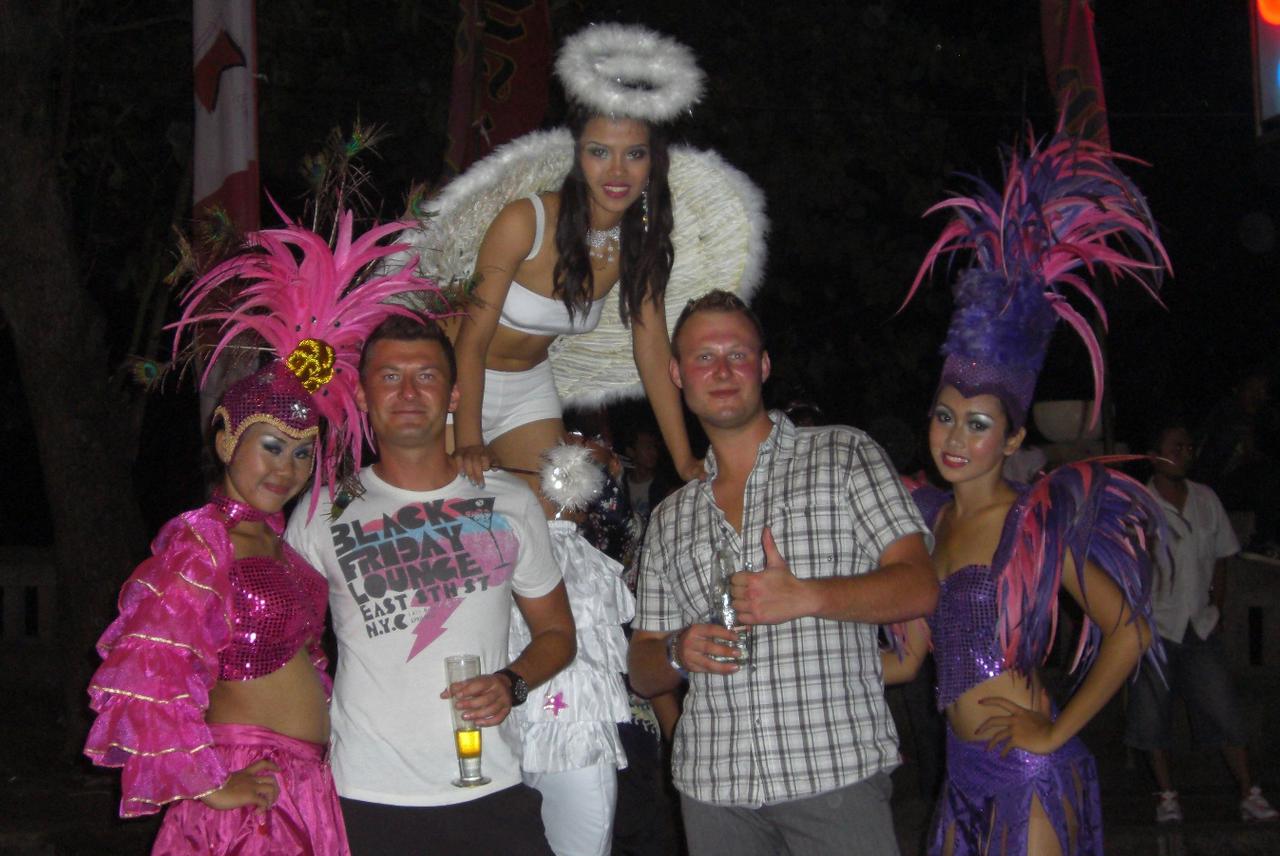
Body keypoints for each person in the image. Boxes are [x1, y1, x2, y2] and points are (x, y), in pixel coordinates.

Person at [395, 25, 764, 855]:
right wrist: (464, 436)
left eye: (634, 154)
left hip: (528, 385)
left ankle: (555, 707)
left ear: (652, 162)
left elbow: (651, 349)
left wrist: (684, 456)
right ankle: (445, 700)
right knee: (455, 537)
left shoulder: (639, 243)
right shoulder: (525, 220)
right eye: (600, 152)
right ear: (577, 155)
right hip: (459, 381)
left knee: (554, 524)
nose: (616, 170)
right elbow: (473, 337)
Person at [84, 210, 432, 853]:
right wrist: (209, 786)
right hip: (250, 790)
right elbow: (148, 670)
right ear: (225, 441)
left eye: (302, 453)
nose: (287, 469)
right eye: (271, 446)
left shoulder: (286, 549)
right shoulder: (201, 541)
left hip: (307, 786)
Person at [885, 128, 1171, 855]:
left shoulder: (1031, 523)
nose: (954, 437)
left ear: (1012, 440)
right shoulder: (926, 519)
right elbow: (907, 661)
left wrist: (1056, 729)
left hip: (1025, 771)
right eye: (944, 416)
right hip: (961, 770)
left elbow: (1130, 630)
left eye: (978, 424)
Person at [628, 290, 938, 856]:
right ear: (676, 374)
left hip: (833, 776)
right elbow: (643, 670)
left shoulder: (843, 454)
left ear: (764, 365)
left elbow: (919, 584)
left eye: (738, 354)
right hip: (715, 792)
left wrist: (809, 596)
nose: (722, 371)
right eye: (703, 357)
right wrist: (677, 650)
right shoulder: (670, 516)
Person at [285, 315, 576, 855]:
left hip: (489, 784)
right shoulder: (323, 509)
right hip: (364, 794)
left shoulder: (508, 500)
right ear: (363, 395)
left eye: (426, 376)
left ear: (453, 394)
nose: (408, 392)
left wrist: (512, 683)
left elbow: (558, 633)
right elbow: (282, 649)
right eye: (389, 377)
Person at [1124, 419, 1278, 823]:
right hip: (1155, 627)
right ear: (1154, 455)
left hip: (1199, 624)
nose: (1184, 454)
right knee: (1151, 713)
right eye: (1175, 447)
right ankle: (1166, 796)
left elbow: (1223, 556)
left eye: (1189, 447)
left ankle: (1249, 793)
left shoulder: (1206, 499)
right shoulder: (1138, 504)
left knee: (1224, 709)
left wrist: (1218, 606)